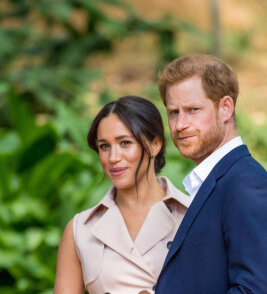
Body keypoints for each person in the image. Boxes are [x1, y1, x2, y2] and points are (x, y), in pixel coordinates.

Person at [155, 53, 267, 293]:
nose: (180, 124)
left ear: (226, 108)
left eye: (193, 109)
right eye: (173, 112)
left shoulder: (247, 186)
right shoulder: (218, 181)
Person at [53, 96, 190, 294]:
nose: (113, 158)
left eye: (125, 143)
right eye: (104, 146)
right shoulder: (80, 230)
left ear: (155, 145)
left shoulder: (193, 215)